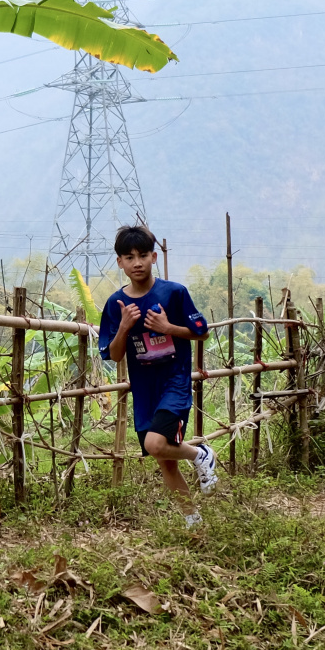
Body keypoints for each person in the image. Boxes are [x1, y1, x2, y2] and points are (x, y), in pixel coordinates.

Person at [99, 225, 217, 525]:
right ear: (120, 262)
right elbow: (114, 354)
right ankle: (193, 522)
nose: (137, 263)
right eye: (129, 257)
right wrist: (124, 327)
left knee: (154, 444)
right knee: (165, 462)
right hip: (144, 391)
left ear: (154, 257)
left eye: (142, 255)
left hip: (174, 384)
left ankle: (201, 454)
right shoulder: (115, 304)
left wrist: (168, 328)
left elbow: (201, 332)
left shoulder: (174, 293)